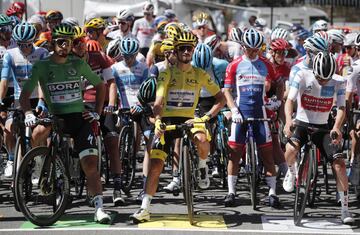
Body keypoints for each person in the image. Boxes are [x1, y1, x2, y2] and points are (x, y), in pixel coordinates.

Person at [19, 23, 111, 224]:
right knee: (36, 134)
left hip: (79, 119)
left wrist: (97, 112)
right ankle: (40, 165)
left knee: (90, 165)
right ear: (53, 43)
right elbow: (25, 94)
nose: (65, 47)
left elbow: (100, 85)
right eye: (61, 42)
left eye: (69, 43)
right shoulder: (42, 66)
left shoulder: (77, 63)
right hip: (56, 118)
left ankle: (99, 208)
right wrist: (28, 112)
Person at [129, 31, 225, 223]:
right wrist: (157, 121)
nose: (187, 51)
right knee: (156, 164)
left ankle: (203, 165)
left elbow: (221, 99)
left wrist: (206, 117)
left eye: (190, 48)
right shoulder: (166, 73)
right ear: (176, 50)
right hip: (167, 121)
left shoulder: (199, 74)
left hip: (190, 119)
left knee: (202, 139)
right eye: (183, 48)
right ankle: (144, 208)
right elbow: (159, 101)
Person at [283, 52, 354, 224]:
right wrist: (287, 122)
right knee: (291, 149)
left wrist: (336, 127)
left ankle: (345, 209)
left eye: (326, 79)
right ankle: (291, 172)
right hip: (302, 123)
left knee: (339, 164)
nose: (323, 82)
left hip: (323, 128)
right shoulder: (302, 75)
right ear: (314, 70)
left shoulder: (338, 81)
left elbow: (342, 108)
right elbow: (289, 100)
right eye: (320, 79)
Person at [223, 28, 280, 208]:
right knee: (234, 154)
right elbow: (226, 90)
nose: (253, 52)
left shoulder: (266, 63)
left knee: (267, 155)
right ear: (243, 46)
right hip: (241, 112)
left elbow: (279, 83)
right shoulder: (234, 64)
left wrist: (276, 100)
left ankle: (272, 193)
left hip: (260, 113)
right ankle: (231, 192)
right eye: (250, 49)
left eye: (257, 49)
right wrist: (233, 110)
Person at [72, 26, 123, 206]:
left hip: (102, 104)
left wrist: (110, 105)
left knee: (111, 139)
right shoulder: (69, 60)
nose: (80, 48)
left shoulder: (99, 58)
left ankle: (117, 184)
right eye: (76, 44)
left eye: (82, 44)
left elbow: (111, 83)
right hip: (82, 104)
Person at [0, 22, 48, 178]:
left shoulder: (42, 53)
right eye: (20, 44)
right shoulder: (10, 54)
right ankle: (12, 159)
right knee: (8, 129)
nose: (24, 48)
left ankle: (38, 159)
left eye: (27, 44)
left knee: (38, 134)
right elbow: (4, 81)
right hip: (20, 100)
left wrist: (42, 101)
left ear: (32, 41)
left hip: (38, 97)